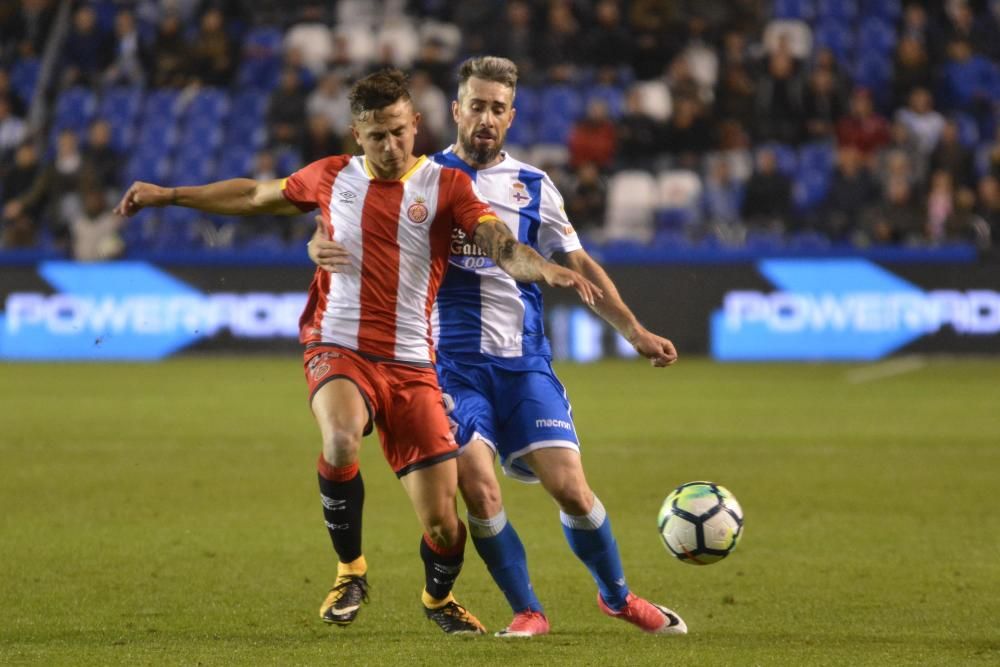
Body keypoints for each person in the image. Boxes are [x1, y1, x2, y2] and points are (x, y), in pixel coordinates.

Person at [114, 68, 600, 636]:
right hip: (339, 345)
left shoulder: (447, 187)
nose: (391, 147)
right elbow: (253, 195)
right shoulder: (331, 178)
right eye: (377, 137)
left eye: (399, 132)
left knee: (445, 528)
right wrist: (169, 195)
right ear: (357, 135)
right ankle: (350, 570)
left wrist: (543, 268)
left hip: (415, 363)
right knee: (341, 435)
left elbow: (501, 247)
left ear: (415, 124)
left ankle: (437, 597)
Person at [309, 56, 686, 638]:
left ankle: (617, 596)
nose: (485, 117)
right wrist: (316, 241)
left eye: (497, 108)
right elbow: (346, 209)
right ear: (455, 110)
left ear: (510, 117)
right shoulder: (423, 178)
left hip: (523, 363)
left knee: (573, 490)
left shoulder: (535, 186)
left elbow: (578, 263)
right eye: (475, 105)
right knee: (478, 489)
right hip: (448, 367)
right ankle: (527, 610)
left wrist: (633, 330)